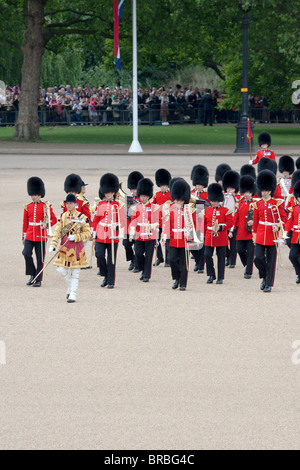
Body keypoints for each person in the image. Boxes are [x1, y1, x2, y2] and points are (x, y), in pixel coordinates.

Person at [49, 194, 91, 302]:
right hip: (64, 247)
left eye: (71, 203)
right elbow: (58, 231)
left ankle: (73, 293)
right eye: (67, 203)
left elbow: (87, 234)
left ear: (75, 204)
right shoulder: (63, 216)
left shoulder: (82, 217)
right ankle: (70, 286)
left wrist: (76, 237)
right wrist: (53, 245)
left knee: (75, 272)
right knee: (61, 269)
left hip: (77, 248)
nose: (69, 205)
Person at [252, 170, 287, 293]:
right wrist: (254, 236)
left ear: (270, 190)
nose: (264, 192)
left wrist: (278, 226)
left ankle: (268, 284)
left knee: (271, 261)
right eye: (262, 190)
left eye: (266, 190)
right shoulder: (258, 204)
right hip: (261, 234)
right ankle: (264, 275)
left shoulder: (277, 204)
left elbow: (284, 218)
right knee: (258, 258)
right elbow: (255, 222)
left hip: (272, 235)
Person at [161, 179, 196, 291]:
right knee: (171, 259)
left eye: (180, 201)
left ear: (184, 200)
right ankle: (176, 278)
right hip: (173, 239)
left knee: (184, 262)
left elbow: (194, 223)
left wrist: (189, 231)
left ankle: (183, 283)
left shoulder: (189, 210)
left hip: (185, 239)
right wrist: (164, 237)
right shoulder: (170, 210)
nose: (178, 202)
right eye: (176, 200)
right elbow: (167, 224)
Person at [22, 177, 57, 287]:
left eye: (36, 195)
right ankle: (32, 274)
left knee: (39, 259)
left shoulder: (46, 206)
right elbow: (25, 223)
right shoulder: (28, 207)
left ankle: (38, 279)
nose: (34, 197)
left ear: (40, 195)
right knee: (26, 253)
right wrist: (23, 237)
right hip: (29, 235)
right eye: (32, 195)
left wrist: (46, 224)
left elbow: (54, 219)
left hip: (40, 235)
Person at [92, 173, 123, 289]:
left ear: (114, 192)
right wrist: (94, 236)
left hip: (112, 235)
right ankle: (105, 274)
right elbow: (95, 221)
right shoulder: (100, 204)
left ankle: (110, 281)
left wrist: (118, 229)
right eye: (106, 192)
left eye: (110, 192)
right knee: (99, 255)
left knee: (111, 260)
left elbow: (123, 221)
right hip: (100, 235)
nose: (108, 194)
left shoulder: (118, 205)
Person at [129, 178, 159, 283]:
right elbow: (133, 221)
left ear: (148, 196)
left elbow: (158, 221)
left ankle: (146, 275)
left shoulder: (155, 207)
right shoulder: (136, 207)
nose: (143, 198)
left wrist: (152, 226)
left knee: (149, 256)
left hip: (150, 235)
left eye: (145, 196)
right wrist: (131, 234)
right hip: (139, 235)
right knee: (138, 253)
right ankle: (142, 270)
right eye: (142, 196)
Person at [204, 183, 234, 284]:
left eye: (215, 201)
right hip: (209, 236)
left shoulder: (226, 211)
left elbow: (230, 223)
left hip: (221, 236)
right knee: (207, 255)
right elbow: (203, 224)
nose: (213, 203)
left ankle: (220, 277)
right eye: (212, 201)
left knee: (221, 258)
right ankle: (211, 275)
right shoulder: (206, 211)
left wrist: (221, 227)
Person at [232, 175, 256, 279]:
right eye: (244, 192)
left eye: (248, 192)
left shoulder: (255, 204)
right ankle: (247, 265)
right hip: (241, 232)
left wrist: (254, 222)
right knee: (240, 250)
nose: (246, 194)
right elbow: (235, 218)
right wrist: (231, 229)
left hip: (251, 232)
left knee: (251, 252)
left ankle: (248, 271)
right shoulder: (240, 204)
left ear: (251, 192)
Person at [123, 171, 144, 272]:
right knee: (126, 244)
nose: (133, 191)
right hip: (128, 226)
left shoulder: (142, 199)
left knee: (137, 246)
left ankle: (136, 264)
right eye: (132, 189)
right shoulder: (128, 199)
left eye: (135, 189)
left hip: (138, 227)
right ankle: (132, 259)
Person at [190, 165, 209, 273]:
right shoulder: (191, 194)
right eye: (197, 185)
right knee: (192, 245)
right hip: (192, 222)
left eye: (201, 185)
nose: (199, 187)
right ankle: (197, 261)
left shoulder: (207, 195)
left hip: (202, 222)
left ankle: (201, 266)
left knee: (202, 246)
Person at [152, 168, 172, 267]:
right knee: (156, 240)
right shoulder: (157, 194)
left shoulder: (171, 194)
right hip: (158, 221)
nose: (162, 187)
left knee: (167, 240)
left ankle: (168, 260)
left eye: (164, 185)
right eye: (161, 186)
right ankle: (160, 258)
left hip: (167, 221)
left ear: (167, 185)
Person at [223, 170, 240, 268]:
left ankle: (232, 261)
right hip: (225, 223)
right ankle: (228, 256)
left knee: (233, 244)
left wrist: (232, 228)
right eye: (228, 188)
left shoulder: (237, 198)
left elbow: (235, 213)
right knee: (224, 243)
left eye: (232, 188)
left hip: (234, 223)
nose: (230, 189)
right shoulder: (224, 197)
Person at [285, 180, 300, 284]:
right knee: (292, 256)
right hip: (296, 236)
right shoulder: (294, 209)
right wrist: (285, 233)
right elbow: (289, 222)